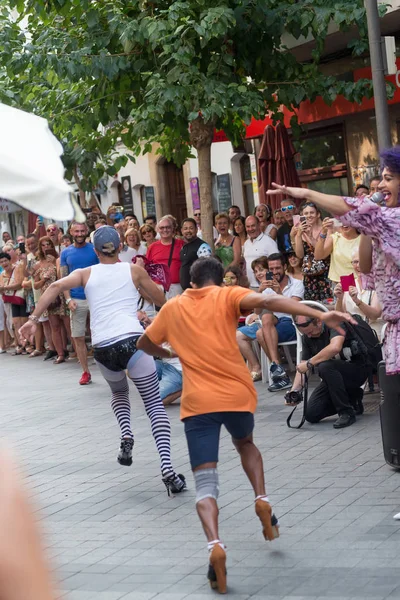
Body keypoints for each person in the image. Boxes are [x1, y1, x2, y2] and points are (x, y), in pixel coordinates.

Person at [135, 256, 355, 593]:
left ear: (192, 283)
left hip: (198, 404)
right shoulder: (227, 295)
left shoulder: (174, 308)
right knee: (246, 445)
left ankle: (215, 547)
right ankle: (262, 498)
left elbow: (144, 343)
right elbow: (267, 300)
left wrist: (168, 353)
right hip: (237, 395)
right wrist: (318, 313)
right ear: (218, 281)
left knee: (205, 483)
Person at [19, 226, 186, 496]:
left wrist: (32, 319)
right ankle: (168, 470)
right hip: (133, 342)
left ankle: (126, 434)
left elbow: (54, 286)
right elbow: (160, 299)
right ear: (120, 247)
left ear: (95, 251)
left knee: (119, 393)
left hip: (104, 347)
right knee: (153, 404)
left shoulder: (86, 274)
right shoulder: (134, 271)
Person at [267, 147, 400, 378]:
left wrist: (306, 193)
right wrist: (368, 224)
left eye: (388, 179)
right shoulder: (384, 220)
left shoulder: (393, 219)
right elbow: (367, 266)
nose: (380, 186)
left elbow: (349, 206)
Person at [287, 313, 368, 428]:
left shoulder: (335, 323)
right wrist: (294, 391)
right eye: (305, 333)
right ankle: (352, 399)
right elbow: (303, 368)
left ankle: (346, 412)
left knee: (325, 366)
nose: (308, 336)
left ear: (319, 322)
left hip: (357, 370)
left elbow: (335, 347)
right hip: (333, 377)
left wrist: (310, 363)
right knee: (311, 414)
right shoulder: (307, 337)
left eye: (310, 332)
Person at [256, 253, 304, 392]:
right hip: (275, 323)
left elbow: (294, 309)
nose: (275, 272)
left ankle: (279, 373)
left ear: (284, 267)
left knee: (260, 334)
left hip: (292, 323)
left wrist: (278, 292)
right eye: (271, 269)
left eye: (278, 268)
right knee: (265, 318)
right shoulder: (267, 286)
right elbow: (257, 312)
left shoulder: (297, 284)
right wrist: (259, 293)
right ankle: (278, 368)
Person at [60, 222, 99, 385]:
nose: (80, 233)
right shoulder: (65, 253)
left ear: (87, 231)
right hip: (76, 298)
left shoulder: (95, 249)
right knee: (78, 336)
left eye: (83, 230)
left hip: (96, 297)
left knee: (101, 333)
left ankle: (110, 367)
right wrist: (68, 299)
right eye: (77, 231)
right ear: (71, 232)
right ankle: (85, 371)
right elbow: (64, 278)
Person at [33, 237, 70, 364]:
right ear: (40, 247)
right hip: (48, 296)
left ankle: (73, 350)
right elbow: (35, 285)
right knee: (54, 326)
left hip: (61, 294)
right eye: (43, 245)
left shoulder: (58, 260)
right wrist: (43, 279)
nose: (46, 247)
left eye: (48, 244)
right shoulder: (38, 264)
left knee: (68, 324)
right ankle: (60, 354)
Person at [334, 249, 384, 340]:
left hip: (375, 337)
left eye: (363, 261)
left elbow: (374, 315)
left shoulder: (380, 284)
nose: (359, 265)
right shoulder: (348, 282)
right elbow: (339, 317)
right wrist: (339, 298)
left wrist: (357, 301)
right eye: (355, 262)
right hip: (354, 337)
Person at [291, 202, 331, 303]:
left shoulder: (326, 229)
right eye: (306, 213)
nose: (309, 215)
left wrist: (311, 237)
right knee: (312, 308)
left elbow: (321, 252)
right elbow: (299, 255)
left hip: (326, 274)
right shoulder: (300, 230)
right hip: (309, 277)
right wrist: (299, 235)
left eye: (312, 212)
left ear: (318, 214)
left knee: (328, 306)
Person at [146, 216, 185, 299]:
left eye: (168, 227)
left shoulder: (182, 244)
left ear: (172, 228)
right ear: (157, 230)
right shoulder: (152, 247)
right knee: (160, 311)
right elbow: (148, 268)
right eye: (162, 228)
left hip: (177, 287)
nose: (165, 230)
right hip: (158, 287)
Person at [314, 219, 360, 284]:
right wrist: (323, 232)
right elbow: (318, 256)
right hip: (338, 285)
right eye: (341, 221)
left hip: (359, 284)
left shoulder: (364, 239)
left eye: (347, 220)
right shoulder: (335, 237)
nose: (344, 224)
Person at [0, 251, 27, 354]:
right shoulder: (2, 274)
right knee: (14, 323)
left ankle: (27, 345)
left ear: (9, 260)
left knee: (23, 322)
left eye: (5, 260)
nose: (4, 263)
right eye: (1, 262)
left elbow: (19, 284)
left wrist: (5, 287)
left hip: (20, 298)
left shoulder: (17, 268)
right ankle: (20, 345)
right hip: (9, 300)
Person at [243, 216, 278, 289]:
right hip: (250, 286)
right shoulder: (246, 243)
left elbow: (275, 264)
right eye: (248, 227)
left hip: (266, 287)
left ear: (259, 225)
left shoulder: (269, 242)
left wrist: (269, 283)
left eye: (253, 226)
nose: (250, 229)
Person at [179, 218, 211, 291]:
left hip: (198, 290)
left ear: (196, 230)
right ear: (182, 231)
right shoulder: (184, 246)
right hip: (187, 292)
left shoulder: (203, 246)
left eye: (191, 228)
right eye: (185, 228)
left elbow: (207, 269)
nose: (188, 231)